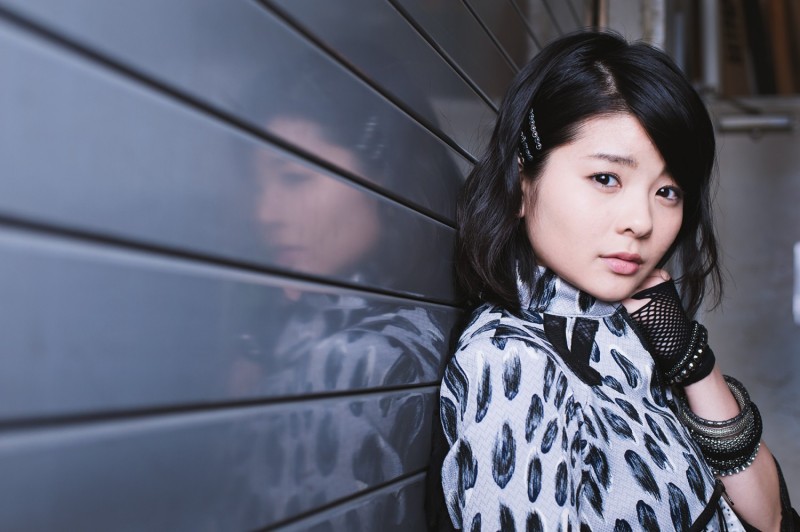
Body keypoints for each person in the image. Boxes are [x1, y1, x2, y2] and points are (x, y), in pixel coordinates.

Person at [430, 30, 798, 531]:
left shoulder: (632, 324)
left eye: (667, 191)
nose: (642, 222)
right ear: (520, 183)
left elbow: (770, 517)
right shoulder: (512, 361)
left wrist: (688, 357)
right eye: (606, 178)